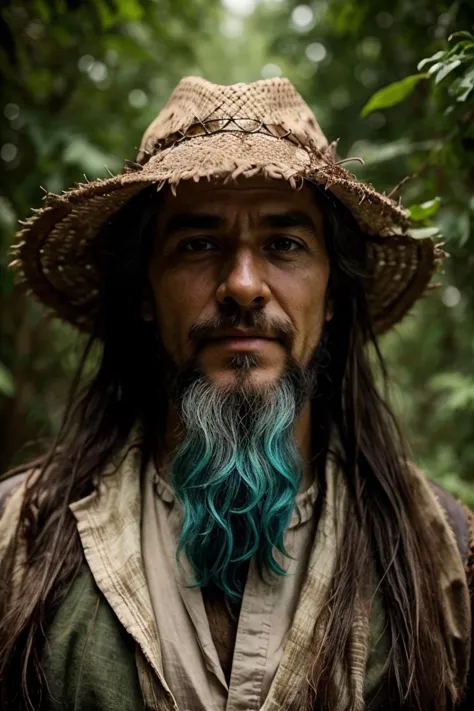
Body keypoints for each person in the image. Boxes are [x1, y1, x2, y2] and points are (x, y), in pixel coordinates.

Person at [0, 76, 472, 711]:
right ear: (145, 292)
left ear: (331, 296)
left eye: (284, 245)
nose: (244, 285)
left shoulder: (446, 556)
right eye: (198, 244)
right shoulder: (18, 542)